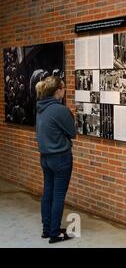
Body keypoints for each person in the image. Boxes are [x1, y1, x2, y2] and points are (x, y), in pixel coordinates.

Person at [35, 76, 76, 244]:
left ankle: (47, 229)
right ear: (58, 90)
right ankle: (55, 233)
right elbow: (72, 132)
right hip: (61, 158)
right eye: (64, 88)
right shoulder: (60, 110)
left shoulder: (40, 108)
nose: (65, 91)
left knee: (48, 193)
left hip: (45, 158)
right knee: (58, 195)